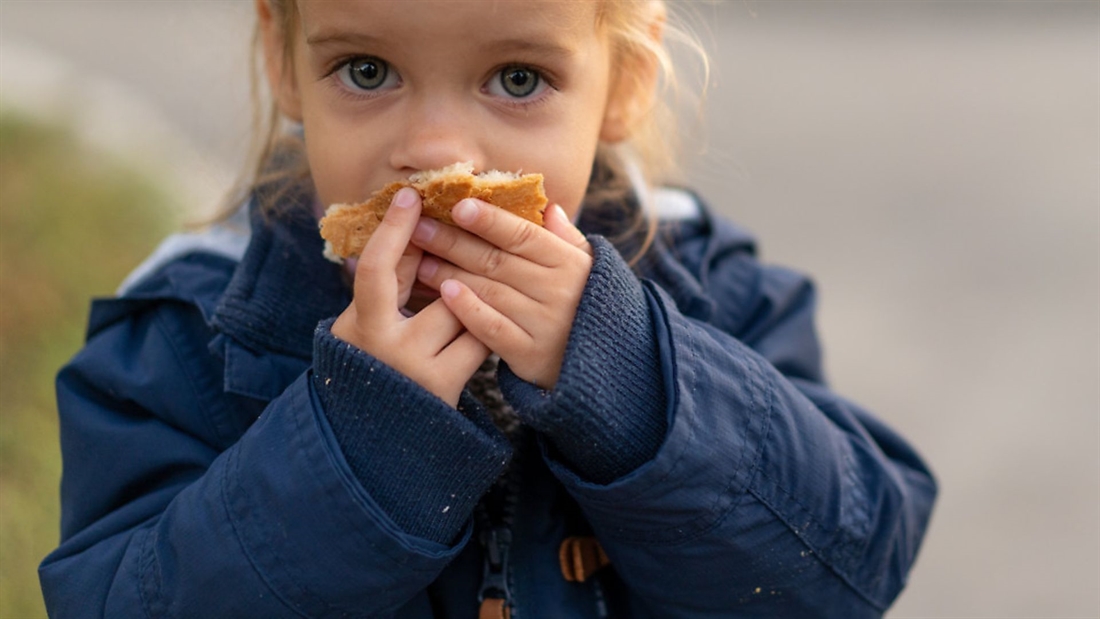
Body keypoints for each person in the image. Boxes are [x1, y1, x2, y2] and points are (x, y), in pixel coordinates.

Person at [40, 1, 937, 617]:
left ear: (624, 78)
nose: (434, 152)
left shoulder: (707, 289)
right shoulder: (194, 335)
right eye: (366, 69)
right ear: (283, 58)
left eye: (516, 78)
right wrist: (360, 444)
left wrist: (632, 380)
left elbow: (848, 570)